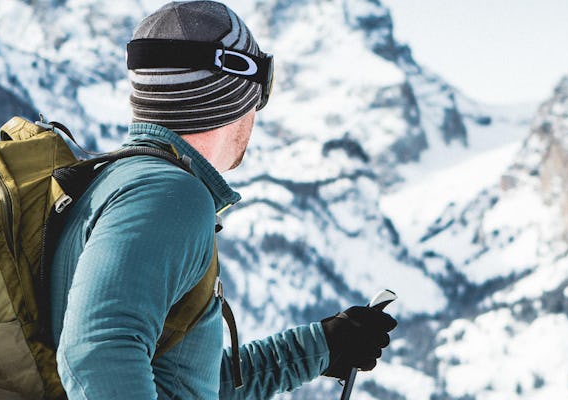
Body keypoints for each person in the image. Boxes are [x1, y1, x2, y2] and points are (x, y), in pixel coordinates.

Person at [47, 1, 398, 398]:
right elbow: (97, 354)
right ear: (235, 93)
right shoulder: (168, 196)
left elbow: (182, 385)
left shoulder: (120, 184)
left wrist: (320, 347)